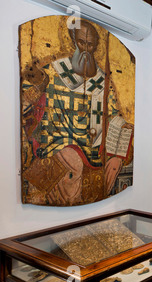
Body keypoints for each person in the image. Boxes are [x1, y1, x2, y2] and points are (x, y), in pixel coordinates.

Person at [21, 18, 133, 205]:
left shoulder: (102, 81)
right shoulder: (56, 70)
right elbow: (28, 99)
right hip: (55, 140)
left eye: (90, 45)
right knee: (74, 161)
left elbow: (114, 115)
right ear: (73, 41)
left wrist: (121, 143)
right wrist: (40, 85)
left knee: (112, 162)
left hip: (92, 145)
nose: (85, 49)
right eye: (81, 42)